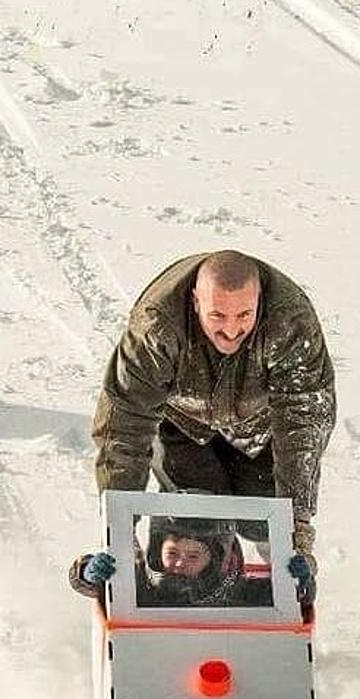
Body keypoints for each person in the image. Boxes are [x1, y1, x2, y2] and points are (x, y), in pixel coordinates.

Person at [90, 249, 335, 594]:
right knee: (196, 519)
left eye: (244, 315)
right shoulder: (158, 326)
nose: (232, 330)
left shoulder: (289, 321)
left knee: (262, 521)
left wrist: (295, 535)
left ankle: (284, 578)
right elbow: (124, 422)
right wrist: (119, 533)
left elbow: (304, 422)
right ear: (194, 301)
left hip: (260, 430)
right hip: (182, 424)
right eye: (217, 315)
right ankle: (175, 596)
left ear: (260, 301)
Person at [69, 516, 314, 608]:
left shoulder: (235, 592)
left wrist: (299, 583)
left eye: (193, 556)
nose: (179, 563)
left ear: (216, 562)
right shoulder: (143, 587)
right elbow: (95, 588)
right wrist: (89, 574)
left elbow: (295, 600)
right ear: (157, 552)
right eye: (172, 553)